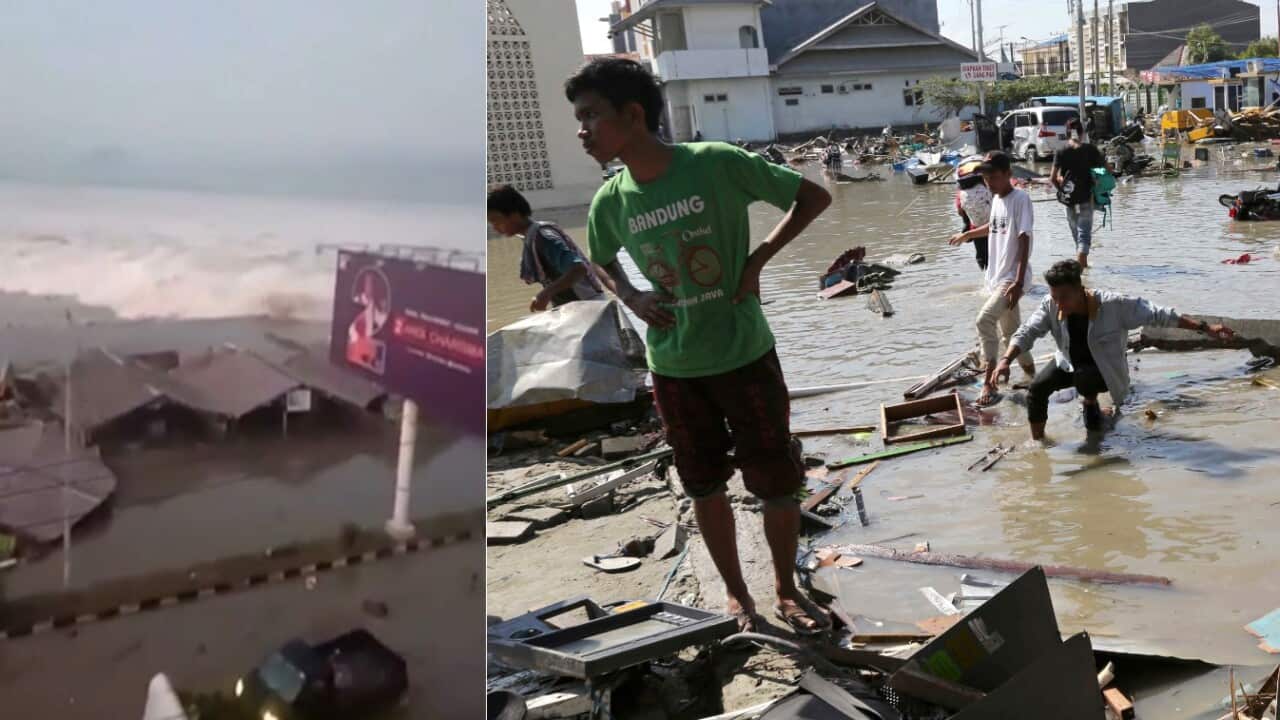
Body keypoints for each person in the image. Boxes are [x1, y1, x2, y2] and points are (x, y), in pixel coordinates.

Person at [565, 57, 834, 635]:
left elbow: (813, 197)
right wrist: (633, 297)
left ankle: (787, 590)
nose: (581, 131)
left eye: (590, 116)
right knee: (703, 484)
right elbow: (601, 259)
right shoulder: (610, 200)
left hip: (745, 355)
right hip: (674, 367)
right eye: (578, 119)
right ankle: (737, 596)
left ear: (633, 115)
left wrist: (757, 260)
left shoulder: (716, 163)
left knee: (777, 481)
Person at [995, 259, 1235, 441]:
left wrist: (1206, 328)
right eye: (1055, 297)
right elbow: (1028, 331)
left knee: (1091, 415)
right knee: (1037, 389)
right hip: (1068, 363)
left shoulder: (1114, 305)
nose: (1059, 304)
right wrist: (1006, 360)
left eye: (1064, 297)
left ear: (1080, 289)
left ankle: (1093, 407)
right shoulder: (1051, 304)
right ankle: (1039, 443)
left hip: (1104, 373)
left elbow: (1160, 314)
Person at [949, 150, 1037, 405]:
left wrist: (1018, 282)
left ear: (1008, 174)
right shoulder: (997, 199)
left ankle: (989, 382)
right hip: (997, 275)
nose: (989, 183)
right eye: (986, 179)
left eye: (994, 177)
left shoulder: (1021, 199)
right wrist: (968, 234)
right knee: (1011, 334)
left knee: (984, 321)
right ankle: (1033, 376)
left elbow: (1024, 238)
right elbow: (995, 226)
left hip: (1012, 277)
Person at [487, 184, 607, 312]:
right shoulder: (530, 238)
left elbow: (578, 269)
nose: (495, 228)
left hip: (589, 307)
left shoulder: (543, 237)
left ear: (514, 215)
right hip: (573, 309)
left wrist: (546, 293)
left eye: (496, 221)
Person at [1051, 118, 1107, 268]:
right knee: (1084, 233)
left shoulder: (1061, 151)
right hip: (1085, 198)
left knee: (1077, 233)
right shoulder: (1090, 149)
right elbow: (1105, 170)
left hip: (1068, 200)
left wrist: (1062, 192)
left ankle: (1083, 266)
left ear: (1067, 133)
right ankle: (1081, 267)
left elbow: (1052, 178)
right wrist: (1096, 176)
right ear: (1082, 132)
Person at [954, 160, 991, 271]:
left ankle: (985, 272)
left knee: (982, 256)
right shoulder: (989, 187)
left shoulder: (961, 194)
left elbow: (960, 211)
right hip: (995, 227)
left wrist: (966, 222)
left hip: (976, 230)